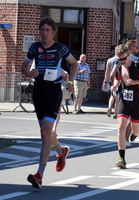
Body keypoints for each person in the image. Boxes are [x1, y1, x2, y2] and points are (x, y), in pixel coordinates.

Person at [21, 17, 78, 189]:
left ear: (53, 32)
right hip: (39, 92)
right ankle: (61, 151)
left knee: (46, 131)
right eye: (42, 30)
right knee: (45, 132)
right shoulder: (34, 48)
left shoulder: (60, 49)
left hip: (54, 92)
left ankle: (39, 175)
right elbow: (23, 65)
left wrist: (71, 82)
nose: (44, 33)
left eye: (47, 30)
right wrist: (28, 72)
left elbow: (74, 64)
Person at [110, 44, 139, 168]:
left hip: (137, 99)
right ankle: (121, 159)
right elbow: (118, 79)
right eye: (119, 59)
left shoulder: (137, 65)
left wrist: (136, 81)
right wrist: (115, 85)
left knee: (135, 130)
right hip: (124, 99)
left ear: (128, 55)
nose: (122, 61)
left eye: (123, 59)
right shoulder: (118, 67)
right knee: (121, 127)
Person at [103, 51, 119, 119]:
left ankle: (109, 107)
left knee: (112, 95)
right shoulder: (120, 60)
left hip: (111, 80)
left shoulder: (109, 60)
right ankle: (116, 113)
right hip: (118, 80)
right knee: (118, 97)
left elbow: (107, 72)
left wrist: (105, 81)